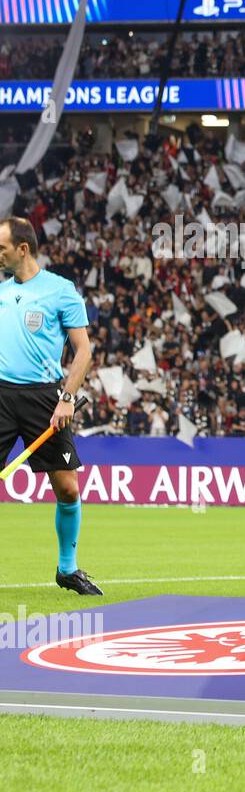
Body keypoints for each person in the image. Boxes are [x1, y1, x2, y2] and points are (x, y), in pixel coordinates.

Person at [0, 217, 99, 595]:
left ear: (22, 249)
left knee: (68, 489)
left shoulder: (60, 291)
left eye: (2, 248)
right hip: (1, 395)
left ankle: (67, 568)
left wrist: (66, 400)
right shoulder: (1, 292)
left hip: (44, 398)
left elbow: (83, 350)